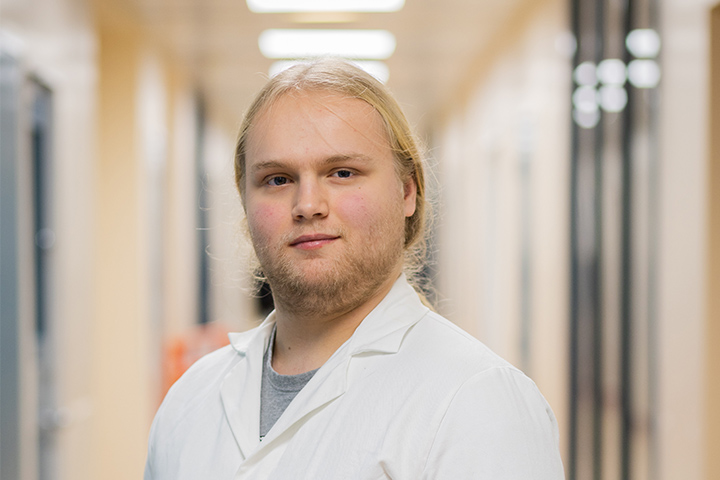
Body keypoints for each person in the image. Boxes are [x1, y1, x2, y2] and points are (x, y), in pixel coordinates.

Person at [144, 58, 564, 479]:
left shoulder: (477, 403)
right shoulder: (190, 400)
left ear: (406, 192)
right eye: (277, 179)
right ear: (245, 201)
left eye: (342, 172)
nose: (308, 205)